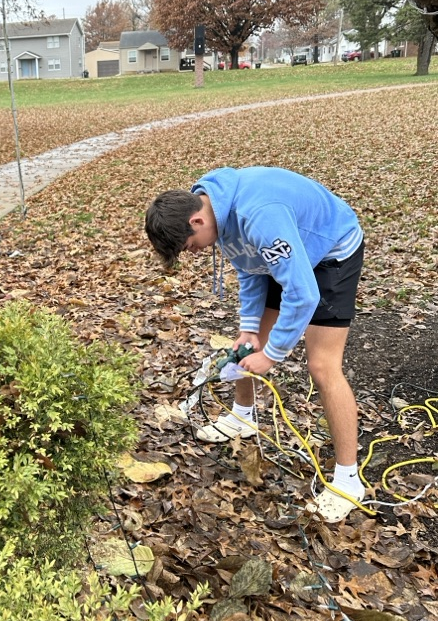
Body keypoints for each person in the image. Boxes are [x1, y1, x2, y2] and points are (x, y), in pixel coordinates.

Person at [145, 166, 365, 523]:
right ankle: (243, 417)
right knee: (248, 342)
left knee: (322, 367)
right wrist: (250, 330)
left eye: (190, 247)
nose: (196, 253)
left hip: (330, 251)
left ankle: (348, 481)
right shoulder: (216, 207)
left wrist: (274, 354)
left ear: (197, 221)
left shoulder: (260, 216)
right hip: (287, 251)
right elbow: (250, 268)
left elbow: (303, 293)